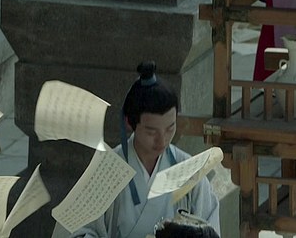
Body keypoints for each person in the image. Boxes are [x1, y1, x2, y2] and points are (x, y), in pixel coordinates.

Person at [68, 62, 220, 238]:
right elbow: (79, 231)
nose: (162, 140)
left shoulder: (191, 171)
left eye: (170, 128)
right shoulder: (105, 172)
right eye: (151, 131)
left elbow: (210, 231)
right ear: (129, 122)